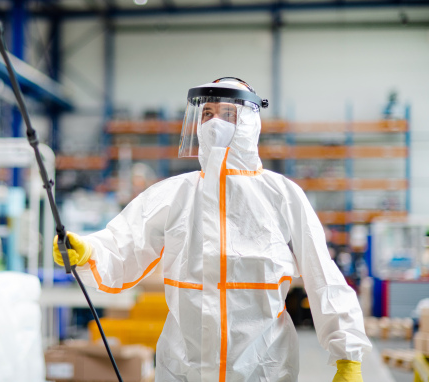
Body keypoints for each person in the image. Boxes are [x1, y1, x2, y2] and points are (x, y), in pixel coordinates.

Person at [53, 77, 372, 382]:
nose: (214, 123)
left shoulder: (282, 195)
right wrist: (88, 250)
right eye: (207, 113)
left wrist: (348, 354)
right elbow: (124, 240)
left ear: (249, 122)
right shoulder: (175, 193)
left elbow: (323, 276)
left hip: (263, 366)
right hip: (184, 366)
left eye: (227, 114)